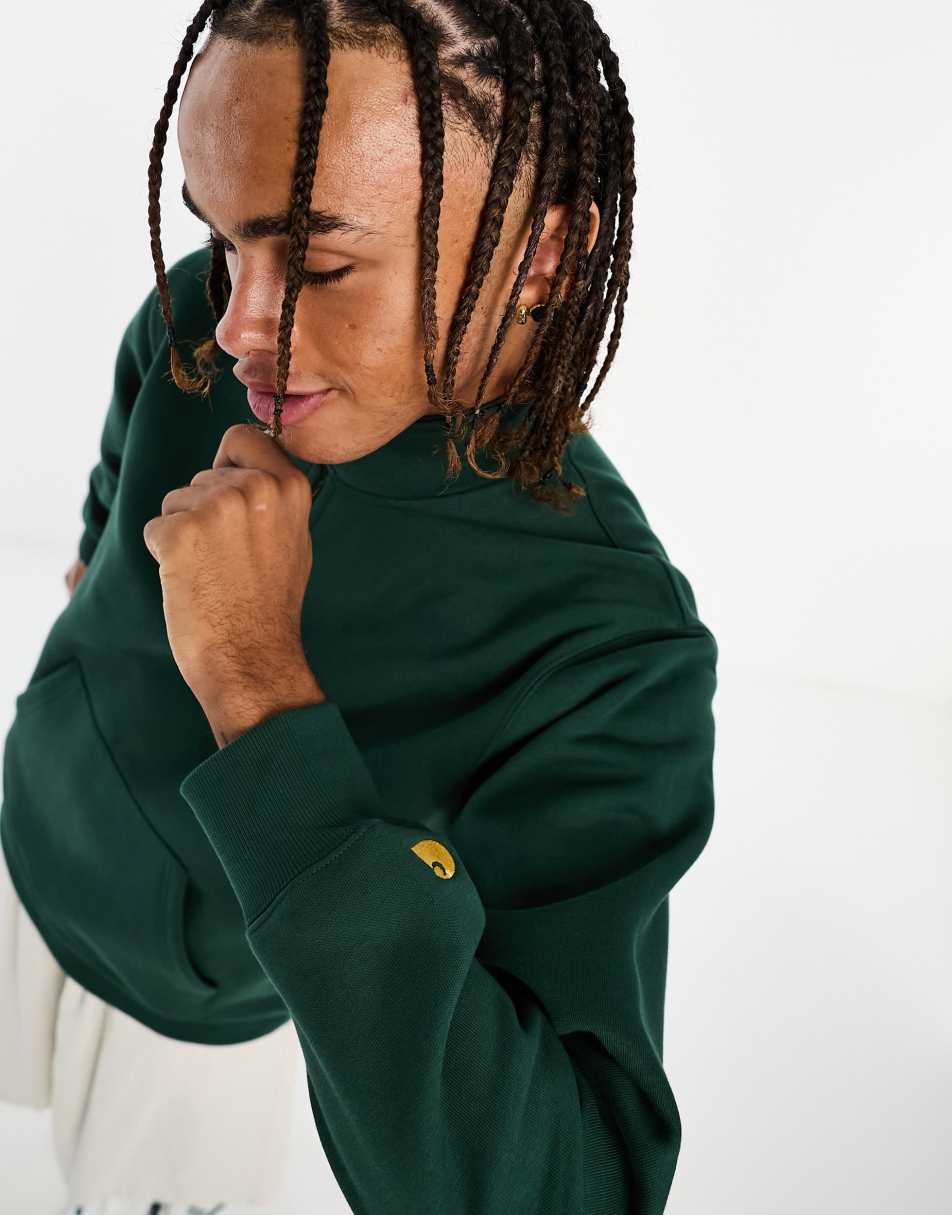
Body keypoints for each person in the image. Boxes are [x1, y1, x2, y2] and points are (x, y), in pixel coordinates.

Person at [0, 1, 719, 1212]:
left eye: (319, 264)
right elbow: (126, 443)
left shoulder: (610, 646)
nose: (238, 321)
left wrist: (256, 688)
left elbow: (568, 1185)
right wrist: (90, 574)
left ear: (542, 253)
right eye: (220, 238)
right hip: (23, 828)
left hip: (191, 1017)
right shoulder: (205, 319)